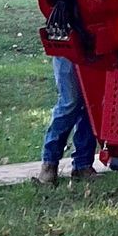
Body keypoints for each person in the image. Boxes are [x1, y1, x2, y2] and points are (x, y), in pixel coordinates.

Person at [41, 54, 97, 184]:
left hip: (95, 44)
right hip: (66, 47)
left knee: (91, 104)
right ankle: (49, 163)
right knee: (69, 103)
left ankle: (83, 165)